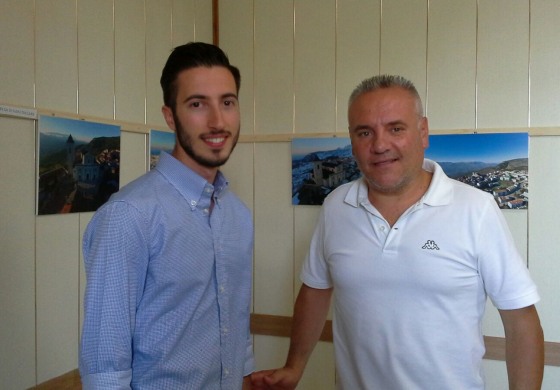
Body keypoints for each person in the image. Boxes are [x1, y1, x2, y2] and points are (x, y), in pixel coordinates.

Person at [252, 75, 544, 389]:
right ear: (352, 141)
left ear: (423, 132)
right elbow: (315, 290)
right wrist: (294, 367)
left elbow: (521, 322)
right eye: (365, 132)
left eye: (395, 128)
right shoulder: (337, 205)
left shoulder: (477, 209)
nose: (379, 145)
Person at [79, 42, 254, 389]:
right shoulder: (128, 216)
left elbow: (236, 328)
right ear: (170, 116)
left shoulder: (237, 215)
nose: (218, 121)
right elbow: (105, 368)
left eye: (227, 102)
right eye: (197, 104)